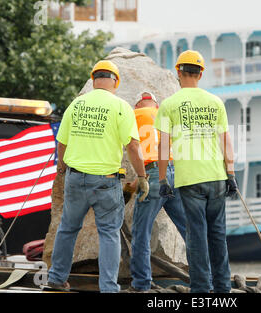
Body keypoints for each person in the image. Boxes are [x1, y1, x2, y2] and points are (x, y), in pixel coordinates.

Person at [47, 60, 149, 293]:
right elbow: (133, 146)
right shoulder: (121, 106)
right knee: (109, 234)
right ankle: (108, 289)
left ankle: (56, 279)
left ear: (93, 80)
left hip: (75, 178)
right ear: (116, 82)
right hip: (105, 181)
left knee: (68, 228)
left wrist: (62, 170)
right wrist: (142, 177)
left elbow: (61, 143)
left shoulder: (77, 104)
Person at [154, 50, 238, 293]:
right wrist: (230, 173)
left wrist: (162, 179)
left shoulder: (169, 105)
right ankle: (222, 287)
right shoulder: (215, 102)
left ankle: (201, 288)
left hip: (189, 180)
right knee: (218, 235)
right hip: (217, 178)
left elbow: (163, 147)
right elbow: (226, 141)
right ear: (201, 73)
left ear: (178, 72)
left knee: (196, 236)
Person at [127, 91, 187, 292]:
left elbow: (135, 147)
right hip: (174, 172)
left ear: (137, 106)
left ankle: (141, 285)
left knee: (141, 232)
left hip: (153, 173)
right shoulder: (165, 115)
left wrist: (137, 180)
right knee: (190, 229)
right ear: (156, 105)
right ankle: (206, 279)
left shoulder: (132, 115)